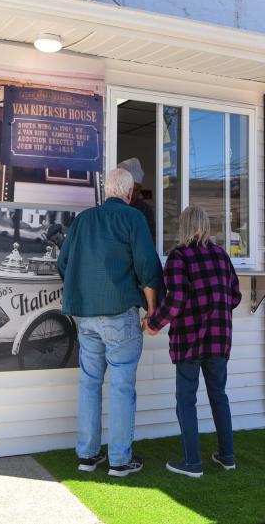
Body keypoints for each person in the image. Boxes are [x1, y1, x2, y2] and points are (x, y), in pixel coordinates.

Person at [56, 168, 163, 477]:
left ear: (107, 192)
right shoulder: (133, 219)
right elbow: (147, 266)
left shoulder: (84, 220)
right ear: (129, 194)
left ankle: (87, 456)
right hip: (120, 315)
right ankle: (119, 460)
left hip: (85, 317)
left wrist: (84, 292)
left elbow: (64, 264)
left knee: (89, 383)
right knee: (120, 387)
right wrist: (152, 310)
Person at [144, 206, 242, 478]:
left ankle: (192, 463)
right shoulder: (222, 256)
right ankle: (227, 456)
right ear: (206, 226)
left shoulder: (178, 257)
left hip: (189, 340)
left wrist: (153, 324)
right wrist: (217, 309)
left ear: (183, 227)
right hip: (219, 340)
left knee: (186, 400)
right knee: (218, 396)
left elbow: (175, 300)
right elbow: (235, 296)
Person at [117, 157, 156, 240]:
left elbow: (150, 239)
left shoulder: (145, 210)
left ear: (140, 189)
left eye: (135, 190)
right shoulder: (114, 207)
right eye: (129, 189)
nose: (131, 194)